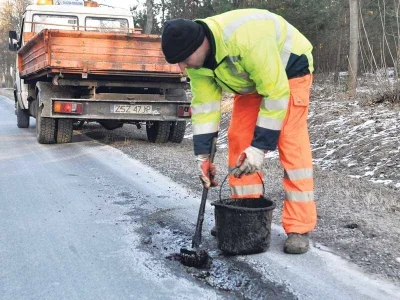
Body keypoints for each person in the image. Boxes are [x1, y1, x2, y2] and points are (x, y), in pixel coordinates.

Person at [161, 8, 317, 254]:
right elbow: (205, 107)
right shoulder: (198, 64)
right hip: (252, 81)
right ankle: (245, 215)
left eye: (183, 59)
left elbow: (275, 93)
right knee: (238, 137)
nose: (182, 68)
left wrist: (260, 148)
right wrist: (203, 157)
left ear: (199, 45)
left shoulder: (245, 40)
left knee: (290, 143)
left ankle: (299, 226)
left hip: (289, 72)